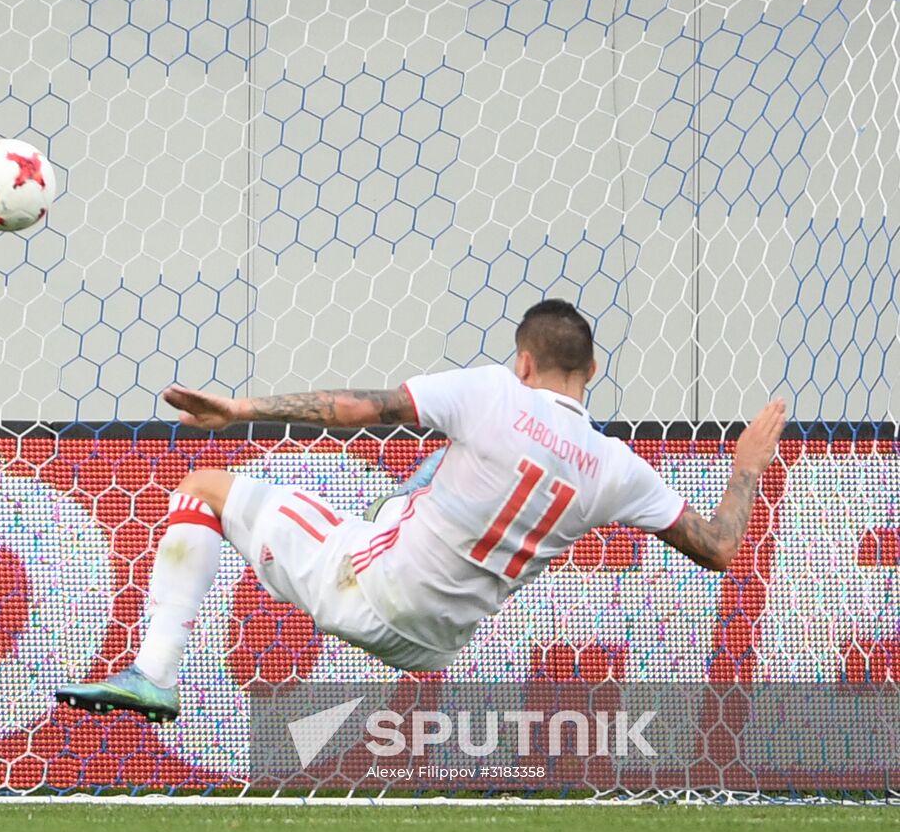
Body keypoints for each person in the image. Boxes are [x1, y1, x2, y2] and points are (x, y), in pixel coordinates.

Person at [56, 299, 788, 721]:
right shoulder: (618, 467)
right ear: (592, 370)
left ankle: (154, 672)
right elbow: (719, 546)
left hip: (367, 587)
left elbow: (361, 408)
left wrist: (239, 409)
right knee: (436, 479)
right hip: (435, 643)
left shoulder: (494, 391)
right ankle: (396, 508)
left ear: (522, 362)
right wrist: (746, 467)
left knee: (205, 487)